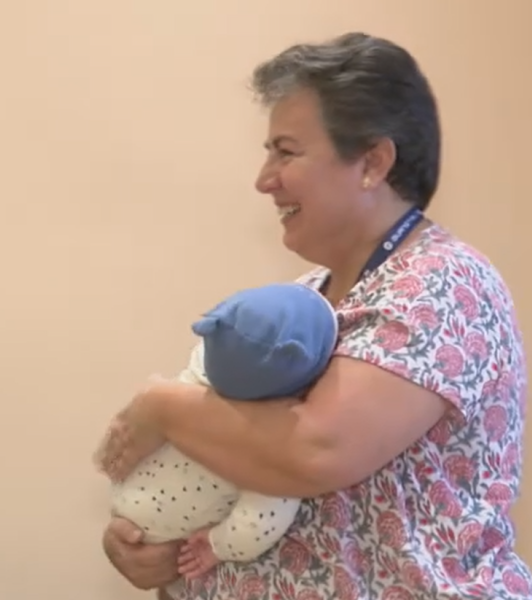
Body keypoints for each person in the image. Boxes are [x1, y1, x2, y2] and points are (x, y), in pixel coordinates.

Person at [97, 31, 532, 600]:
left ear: (372, 162)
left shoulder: (444, 282)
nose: (264, 179)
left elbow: (313, 452)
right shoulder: (310, 299)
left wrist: (161, 405)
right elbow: (234, 468)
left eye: (287, 150)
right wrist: (150, 542)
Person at [96, 283, 337, 580]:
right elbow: (259, 523)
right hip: (157, 540)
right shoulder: (257, 453)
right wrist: (216, 546)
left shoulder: (190, 379)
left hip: (132, 508)